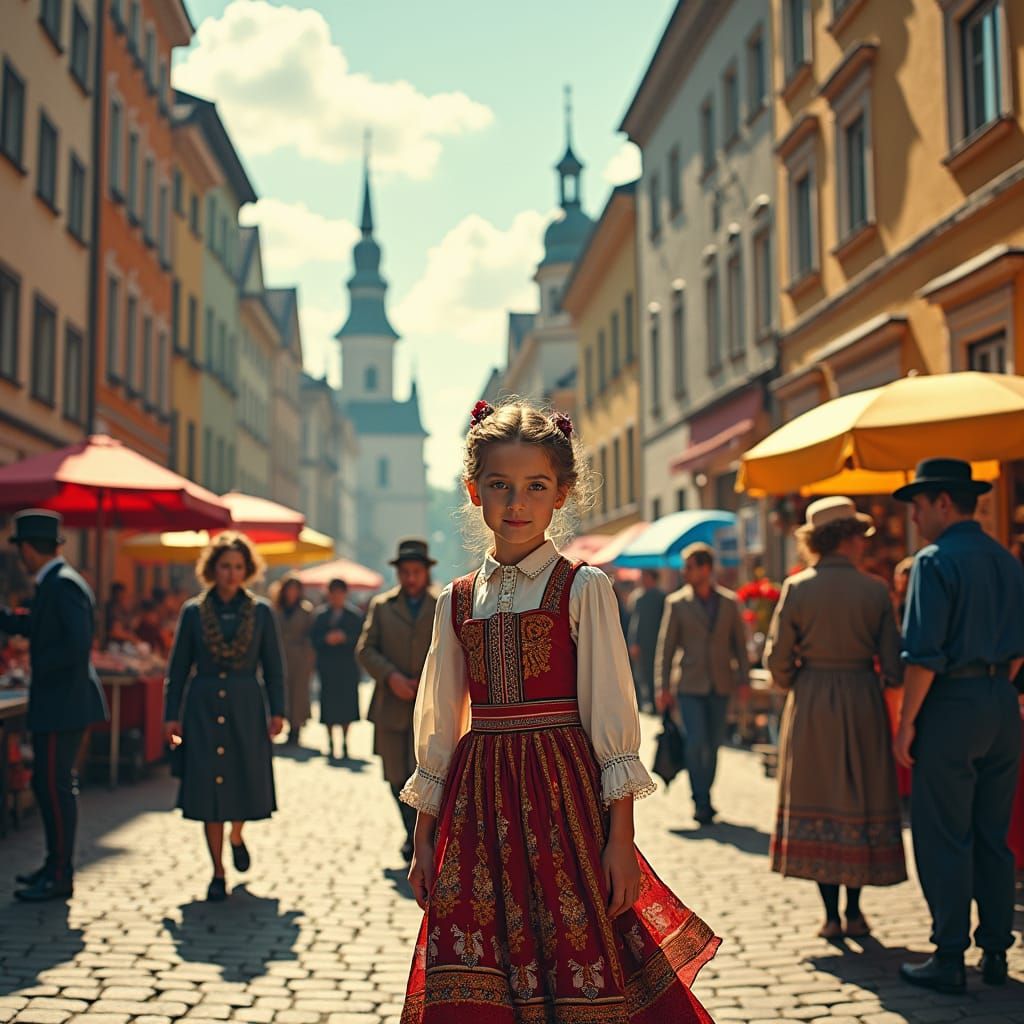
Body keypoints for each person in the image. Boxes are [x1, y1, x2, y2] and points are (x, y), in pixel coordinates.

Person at [399, 399, 718, 1023]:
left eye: (535, 486)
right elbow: (440, 721)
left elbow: (611, 720)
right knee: (477, 952)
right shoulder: (457, 599)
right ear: (474, 491)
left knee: (576, 945)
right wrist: (422, 836)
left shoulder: (583, 587)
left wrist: (620, 839)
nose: (516, 502)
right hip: (479, 802)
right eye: (500, 485)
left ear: (561, 495)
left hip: (562, 797)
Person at [892, 459, 1024, 993]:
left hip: (951, 704)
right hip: (1001, 702)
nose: (915, 518)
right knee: (993, 834)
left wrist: (906, 725)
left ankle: (948, 956)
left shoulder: (933, 560)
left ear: (943, 502)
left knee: (944, 833)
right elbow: (1018, 651)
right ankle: (995, 951)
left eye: (919, 506)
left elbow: (923, 658)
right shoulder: (1007, 560)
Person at [764, 497, 906, 939]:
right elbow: (894, 664)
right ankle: (856, 912)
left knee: (818, 796)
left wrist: (797, 680)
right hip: (862, 697)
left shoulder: (798, 588)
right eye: (859, 537)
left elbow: (777, 660)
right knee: (859, 798)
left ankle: (830, 916)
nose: (865, 545)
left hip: (812, 702)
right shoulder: (875, 589)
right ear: (845, 538)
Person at [163, 532, 286, 902]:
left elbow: (274, 667)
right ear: (212, 569)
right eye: (224, 566)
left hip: (246, 706)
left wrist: (279, 711)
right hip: (201, 708)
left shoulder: (262, 612)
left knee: (243, 780)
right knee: (208, 789)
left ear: (247, 570)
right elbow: (179, 667)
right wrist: (171, 716)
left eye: (237, 567)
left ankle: (236, 834)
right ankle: (217, 871)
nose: (231, 573)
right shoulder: (193, 611)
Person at [0, 510, 108, 902]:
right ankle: (53, 863)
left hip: (63, 702)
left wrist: (36, 660)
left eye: (20, 550)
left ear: (29, 549)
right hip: (59, 700)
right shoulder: (56, 583)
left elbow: (76, 646)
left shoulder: (63, 585)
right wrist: (10, 622)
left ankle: (60, 872)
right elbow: (43, 626)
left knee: (54, 786)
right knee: (48, 786)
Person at [655, 543, 749, 825]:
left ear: (706, 569)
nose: (685, 572)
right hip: (689, 685)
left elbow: (740, 646)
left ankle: (705, 793)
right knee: (696, 742)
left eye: (690, 567)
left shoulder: (729, 602)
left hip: (721, 683)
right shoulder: (677, 603)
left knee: (714, 743)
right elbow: (666, 647)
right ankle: (701, 801)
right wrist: (662, 688)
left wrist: (744, 679)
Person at [357, 538, 438, 863]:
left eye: (416, 571)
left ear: (425, 572)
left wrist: (428, 679)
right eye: (405, 572)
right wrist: (391, 677)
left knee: (427, 774)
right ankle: (410, 831)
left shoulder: (441, 604)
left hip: (430, 707)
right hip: (390, 705)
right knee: (394, 775)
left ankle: (418, 837)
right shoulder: (382, 606)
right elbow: (365, 649)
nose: (410, 578)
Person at [311, 578, 363, 762]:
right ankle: (331, 742)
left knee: (347, 706)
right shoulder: (320, 616)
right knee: (328, 705)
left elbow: (361, 640)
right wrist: (326, 639)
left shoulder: (354, 615)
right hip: (328, 667)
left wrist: (344, 638)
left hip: (347, 667)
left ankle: (346, 743)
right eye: (333, 593)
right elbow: (313, 639)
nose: (336, 596)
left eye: (340, 593)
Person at [273, 573, 315, 746]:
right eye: (289, 589)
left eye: (295, 589)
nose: (292, 592)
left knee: (298, 694)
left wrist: (309, 658)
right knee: (282, 691)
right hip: (280, 655)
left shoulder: (306, 610)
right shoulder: (276, 609)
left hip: (300, 657)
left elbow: (312, 635)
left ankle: (296, 728)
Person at [626, 568, 665, 712]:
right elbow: (635, 623)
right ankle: (651, 703)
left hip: (657, 643)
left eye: (644, 576)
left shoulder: (661, 597)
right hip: (644, 644)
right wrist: (633, 642)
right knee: (646, 674)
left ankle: (657, 704)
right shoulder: (639, 598)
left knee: (656, 673)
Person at [104, 581, 137, 646]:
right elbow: (116, 632)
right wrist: (130, 637)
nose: (128, 601)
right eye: (124, 597)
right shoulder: (113, 610)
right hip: (113, 647)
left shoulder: (121, 612)